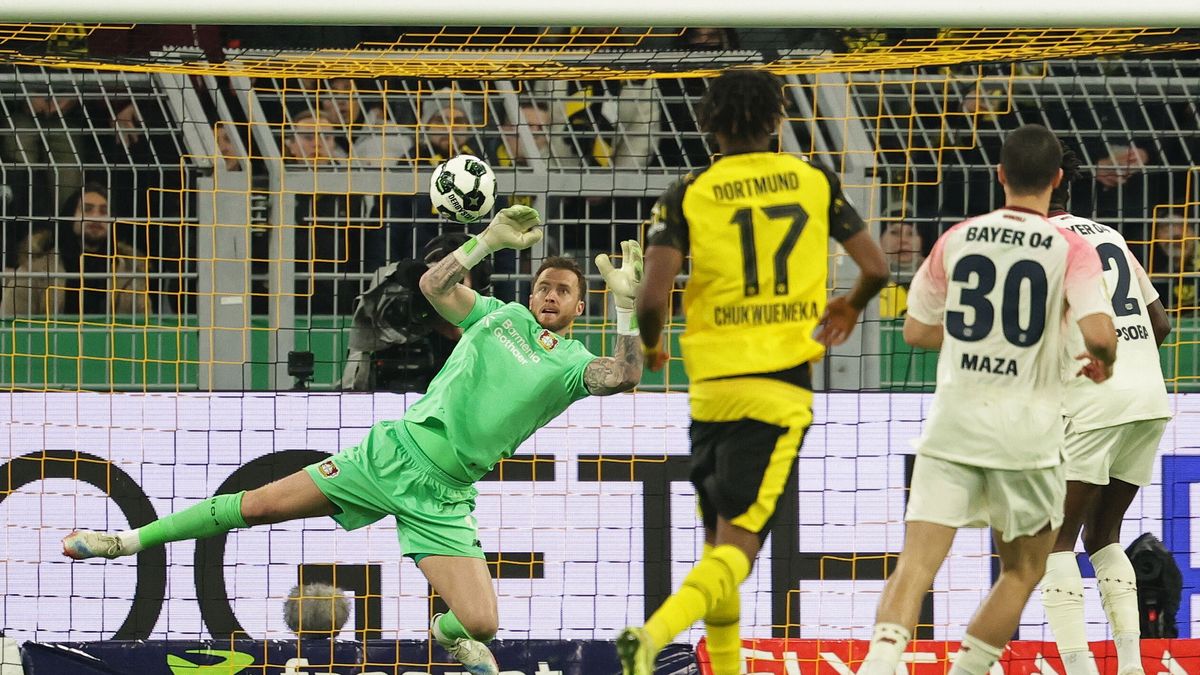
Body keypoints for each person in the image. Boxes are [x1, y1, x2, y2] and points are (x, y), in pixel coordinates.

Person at [62, 205, 645, 675]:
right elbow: (433, 283)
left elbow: (623, 375)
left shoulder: (573, 364)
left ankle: (445, 635)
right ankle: (125, 541)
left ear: (580, 304)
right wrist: (486, 240)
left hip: (443, 496)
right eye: (543, 286)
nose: (549, 295)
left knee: (481, 624)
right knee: (259, 506)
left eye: (562, 290)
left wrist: (627, 310)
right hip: (391, 455)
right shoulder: (497, 315)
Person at [624, 68, 891, 675]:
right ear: (776, 119)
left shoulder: (687, 192)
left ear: (708, 124)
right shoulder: (813, 180)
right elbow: (876, 267)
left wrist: (655, 346)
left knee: (718, 547)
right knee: (737, 553)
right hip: (778, 388)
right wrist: (850, 305)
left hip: (710, 391)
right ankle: (650, 637)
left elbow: (651, 299)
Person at [853, 124, 1118, 675]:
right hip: (1028, 438)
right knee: (1023, 570)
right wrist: (1103, 361)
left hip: (954, 426)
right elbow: (1100, 335)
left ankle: (879, 663)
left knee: (915, 565)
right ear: (1058, 179)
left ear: (1000, 175)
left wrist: (978, 340)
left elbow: (916, 331)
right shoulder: (1071, 248)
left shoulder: (959, 238)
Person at [1040, 143, 1173, 675]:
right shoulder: (1108, 235)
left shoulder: (1036, 244)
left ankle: (1078, 668)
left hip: (1094, 402)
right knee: (1103, 535)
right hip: (1148, 397)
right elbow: (1160, 323)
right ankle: (1132, 665)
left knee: (1052, 540)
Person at [0, 184, 147, 317]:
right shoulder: (33, 272)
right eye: (87, 209)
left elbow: (145, 327)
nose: (96, 217)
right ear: (70, 216)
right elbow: (10, 325)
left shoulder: (130, 274)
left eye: (103, 211)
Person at [878, 213, 926, 319]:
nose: (903, 240)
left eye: (911, 233)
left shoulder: (938, 281)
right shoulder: (869, 282)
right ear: (879, 239)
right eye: (894, 232)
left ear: (921, 241)